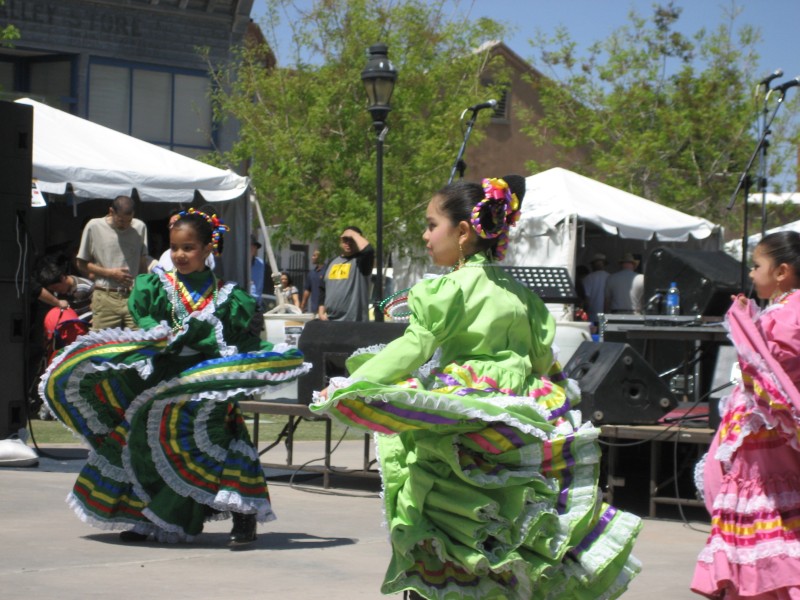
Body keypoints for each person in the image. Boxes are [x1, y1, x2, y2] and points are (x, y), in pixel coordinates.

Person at [312, 176, 642, 599]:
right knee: (507, 517)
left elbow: (414, 347)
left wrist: (351, 384)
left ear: (463, 231)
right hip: (517, 416)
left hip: (466, 414)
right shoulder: (524, 297)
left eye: (432, 225)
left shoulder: (448, 290)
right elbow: (544, 362)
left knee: (448, 512)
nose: (425, 234)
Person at [39, 208, 310, 545]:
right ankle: (149, 518)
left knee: (212, 444)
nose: (180, 255)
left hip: (206, 384)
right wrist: (161, 335)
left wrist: (261, 359)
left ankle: (243, 512)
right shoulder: (156, 286)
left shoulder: (229, 296)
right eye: (175, 247)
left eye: (189, 248)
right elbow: (147, 322)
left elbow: (239, 340)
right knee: (142, 440)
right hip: (163, 378)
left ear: (209, 249)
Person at [692, 231, 800, 599]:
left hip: (768, 440)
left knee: (773, 522)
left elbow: (778, 371)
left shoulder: (791, 312)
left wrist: (744, 328)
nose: (752, 274)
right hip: (761, 435)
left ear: (782, 271)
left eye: (757, 266)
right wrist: (749, 321)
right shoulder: (782, 309)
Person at [76, 195, 149, 330]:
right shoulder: (94, 226)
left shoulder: (139, 227)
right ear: (111, 212)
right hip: (105, 296)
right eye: (121, 220)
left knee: (141, 342)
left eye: (129, 221)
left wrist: (143, 289)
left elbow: (142, 263)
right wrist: (110, 273)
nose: (125, 225)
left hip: (133, 296)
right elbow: (81, 263)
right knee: (102, 345)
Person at [318, 226, 374, 321]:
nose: (348, 243)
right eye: (345, 239)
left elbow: (368, 250)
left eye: (352, 240)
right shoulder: (332, 262)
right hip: (330, 321)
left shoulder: (361, 262)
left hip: (354, 322)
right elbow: (323, 288)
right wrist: (321, 312)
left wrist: (353, 234)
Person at [581, 252, 610, 325]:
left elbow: (586, 298)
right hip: (607, 315)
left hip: (592, 315)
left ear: (593, 265)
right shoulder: (611, 277)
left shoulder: (588, 278)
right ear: (604, 264)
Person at [300, 249, 325, 313]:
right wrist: (302, 305)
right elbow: (307, 290)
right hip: (314, 309)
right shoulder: (311, 273)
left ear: (320, 257)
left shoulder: (327, 271)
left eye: (314, 256)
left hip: (325, 309)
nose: (312, 257)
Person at [249, 233, 266, 310]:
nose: (252, 248)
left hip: (256, 305)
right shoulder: (238, 263)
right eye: (250, 245)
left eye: (254, 246)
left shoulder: (260, 263)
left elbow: (259, 286)